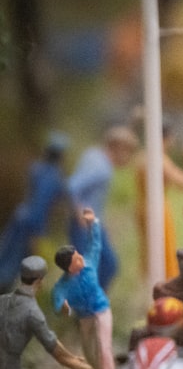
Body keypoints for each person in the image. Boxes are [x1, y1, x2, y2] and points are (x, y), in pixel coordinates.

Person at [51, 210, 116, 369]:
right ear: (68, 267)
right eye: (76, 259)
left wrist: (93, 223)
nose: (81, 258)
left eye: (79, 255)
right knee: (88, 350)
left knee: (104, 347)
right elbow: (58, 301)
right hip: (85, 317)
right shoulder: (63, 286)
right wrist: (64, 308)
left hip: (102, 309)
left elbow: (95, 244)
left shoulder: (90, 264)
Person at [66, 125, 139, 291]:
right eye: (128, 152)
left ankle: (91, 303)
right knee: (93, 267)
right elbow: (72, 186)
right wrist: (79, 213)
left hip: (95, 224)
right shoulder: (102, 169)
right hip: (84, 226)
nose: (128, 158)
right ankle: (88, 308)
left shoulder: (94, 155)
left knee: (107, 263)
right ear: (118, 148)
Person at [134, 118, 183, 280]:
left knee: (149, 254)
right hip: (157, 210)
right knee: (163, 256)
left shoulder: (142, 156)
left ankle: (151, 288)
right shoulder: (160, 160)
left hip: (142, 208)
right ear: (167, 137)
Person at [0, 132, 70, 290]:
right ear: (60, 155)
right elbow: (40, 204)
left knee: (4, 255)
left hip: (19, 216)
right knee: (12, 266)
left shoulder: (36, 168)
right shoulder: (54, 178)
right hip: (29, 225)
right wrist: (36, 235)